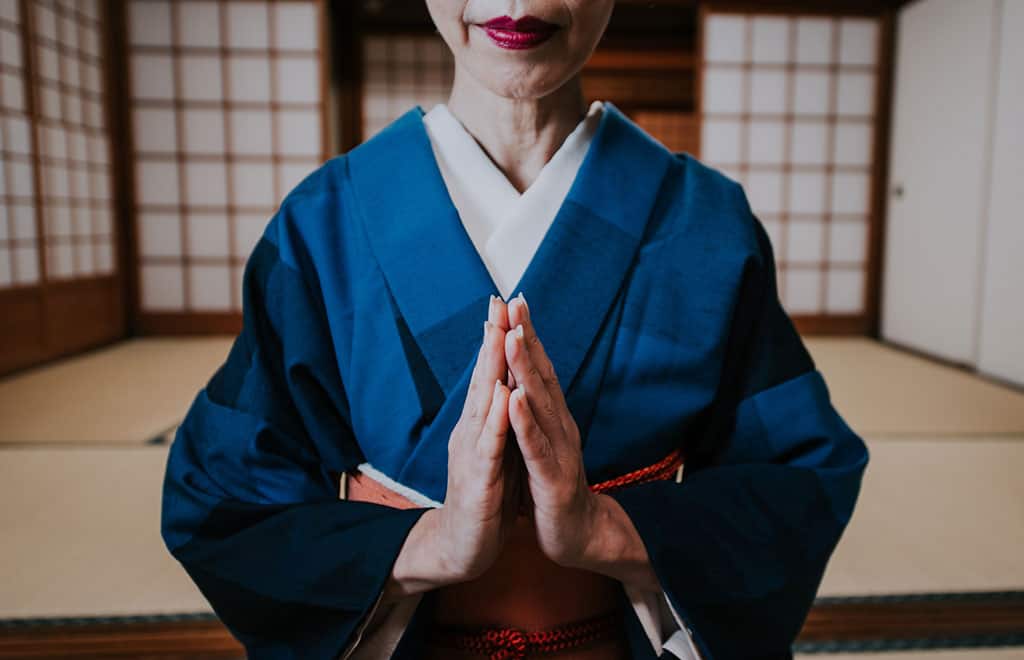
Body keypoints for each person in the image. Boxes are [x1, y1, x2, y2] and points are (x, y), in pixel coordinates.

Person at [159, 2, 869, 659]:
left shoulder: (709, 224)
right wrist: (428, 547)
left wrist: (605, 531)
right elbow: (224, 498)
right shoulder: (321, 224)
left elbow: (798, 478)